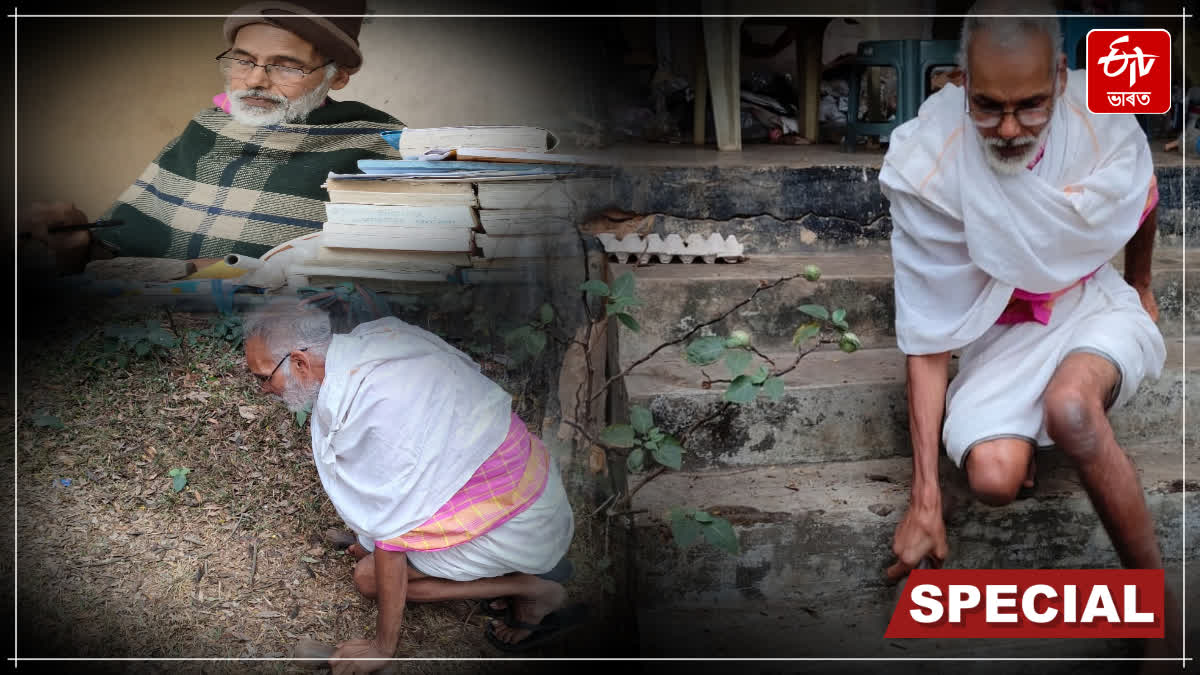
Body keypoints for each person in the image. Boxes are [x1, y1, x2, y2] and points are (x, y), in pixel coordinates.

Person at [878, 0, 1178, 661]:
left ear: (1063, 80)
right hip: (1000, 331)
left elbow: (1143, 196)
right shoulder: (929, 158)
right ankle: (1040, 423)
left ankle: (1158, 617)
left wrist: (1144, 284)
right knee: (990, 477)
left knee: (1070, 408)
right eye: (988, 105)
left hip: (1089, 304)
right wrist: (925, 496)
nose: (1010, 127)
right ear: (960, 81)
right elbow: (928, 337)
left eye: (1031, 106)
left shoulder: (1099, 123)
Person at [242, 299, 585, 670]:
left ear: (299, 362)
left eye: (263, 377)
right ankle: (509, 574)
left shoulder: (380, 403)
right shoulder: (373, 340)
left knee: (371, 577)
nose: (263, 389)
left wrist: (381, 647)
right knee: (375, 550)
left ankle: (531, 588)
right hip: (515, 486)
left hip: (521, 520)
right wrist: (371, 536)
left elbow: (394, 530)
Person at [19, 0, 401, 276]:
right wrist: (75, 245)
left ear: (337, 77)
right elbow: (109, 264)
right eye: (242, 59)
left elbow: (388, 282)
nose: (254, 79)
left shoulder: (380, 150)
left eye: (286, 66)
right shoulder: (206, 129)